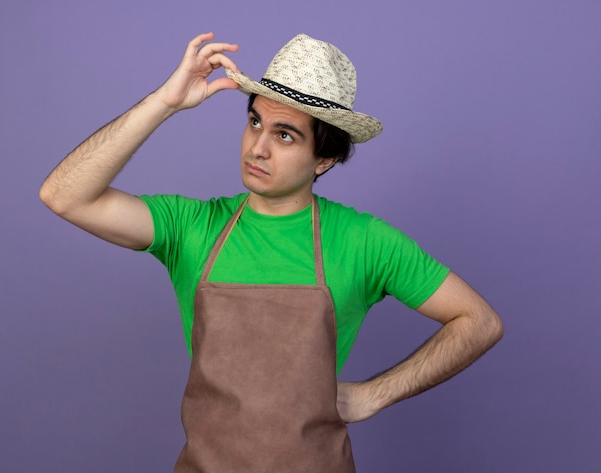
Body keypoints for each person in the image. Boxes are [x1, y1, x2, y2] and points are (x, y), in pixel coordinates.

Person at [40, 31, 504, 472]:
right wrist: (165, 103)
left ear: (324, 159)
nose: (257, 148)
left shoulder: (364, 242)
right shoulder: (192, 227)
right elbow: (64, 195)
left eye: (285, 135)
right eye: (254, 122)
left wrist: (375, 393)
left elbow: (479, 322)